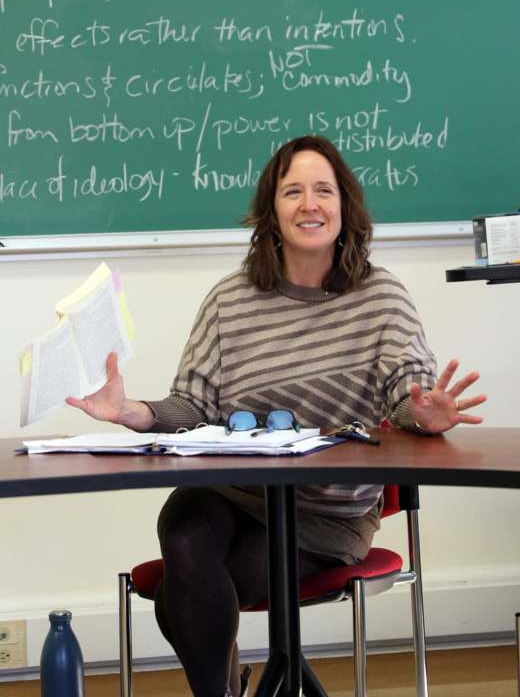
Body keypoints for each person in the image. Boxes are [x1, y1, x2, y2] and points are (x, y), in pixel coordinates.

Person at [67, 136, 486, 697]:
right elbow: (193, 406)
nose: (309, 204)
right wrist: (131, 411)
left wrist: (424, 414)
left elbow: (405, 398)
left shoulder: (381, 297)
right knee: (185, 529)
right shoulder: (230, 300)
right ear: (271, 211)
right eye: (292, 191)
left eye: (323, 191)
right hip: (231, 491)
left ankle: (226, 688)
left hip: (325, 512)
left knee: (185, 588)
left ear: (345, 207)